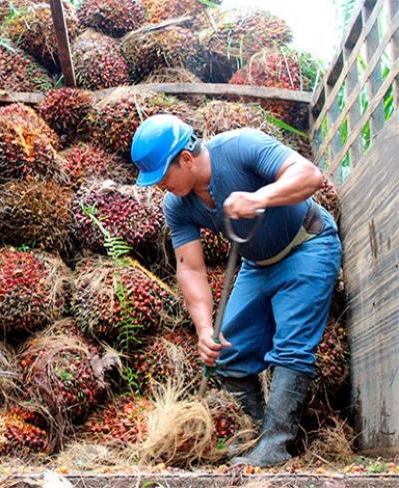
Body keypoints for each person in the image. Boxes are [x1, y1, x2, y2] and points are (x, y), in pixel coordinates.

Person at [129, 114, 342, 467]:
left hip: (307, 244)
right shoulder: (177, 205)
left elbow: (310, 176)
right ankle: (256, 437)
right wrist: (204, 329)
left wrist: (261, 197)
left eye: (163, 177)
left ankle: (274, 447)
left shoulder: (242, 146)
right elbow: (190, 268)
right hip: (257, 265)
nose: (160, 186)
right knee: (227, 351)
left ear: (185, 158)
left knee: (291, 346)